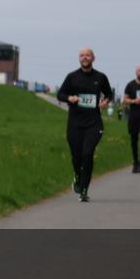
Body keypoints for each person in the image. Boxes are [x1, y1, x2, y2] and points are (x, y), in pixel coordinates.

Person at [56, 48, 114, 202]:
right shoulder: (72, 77)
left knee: (87, 154)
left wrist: (105, 101)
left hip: (93, 123)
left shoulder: (100, 77)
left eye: (88, 55)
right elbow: (60, 94)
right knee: (76, 157)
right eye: (82, 55)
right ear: (79, 58)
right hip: (74, 123)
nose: (85, 57)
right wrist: (70, 98)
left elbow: (109, 93)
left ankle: (84, 189)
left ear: (93, 58)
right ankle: (77, 175)